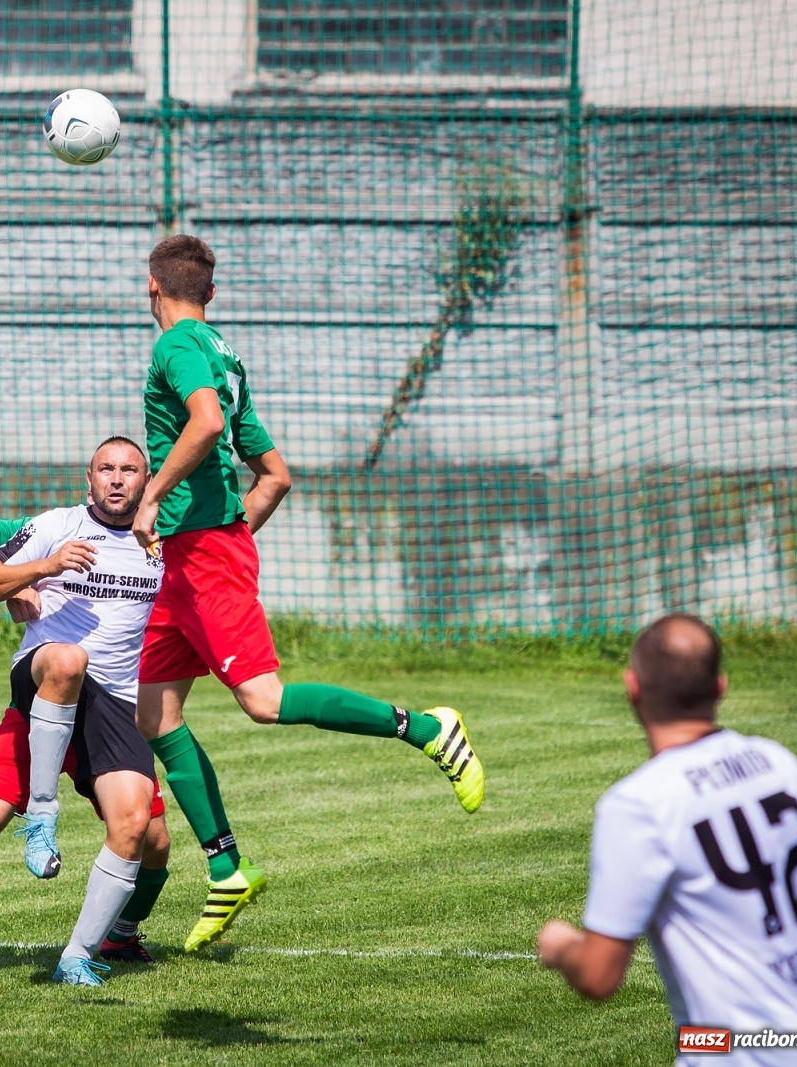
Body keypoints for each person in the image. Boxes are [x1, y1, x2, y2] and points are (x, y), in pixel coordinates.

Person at [131, 234, 488, 952]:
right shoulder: (225, 354)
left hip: (202, 556)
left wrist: (155, 498)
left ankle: (426, 729)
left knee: (263, 701)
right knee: (155, 714)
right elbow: (276, 475)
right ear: (211, 291)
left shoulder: (176, 346)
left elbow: (206, 424)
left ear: (152, 287)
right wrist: (230, 532)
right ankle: (227, 867)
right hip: (188, 561)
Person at [0, 438, 172, 986]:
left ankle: (96, 947)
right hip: (43, 687)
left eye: (129, 470)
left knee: (149, 838)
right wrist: (37, 571)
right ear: (89, 479)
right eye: (106, 469)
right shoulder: (58, 524)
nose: (117, 478)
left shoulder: (159, 540)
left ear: (147, 482)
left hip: (113, 707)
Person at [539, 615, 797, 1064]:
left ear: (632, 688)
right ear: (720, 687)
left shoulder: (640, 804)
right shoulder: (775, 762)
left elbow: (598, 976)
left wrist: (561, 945)